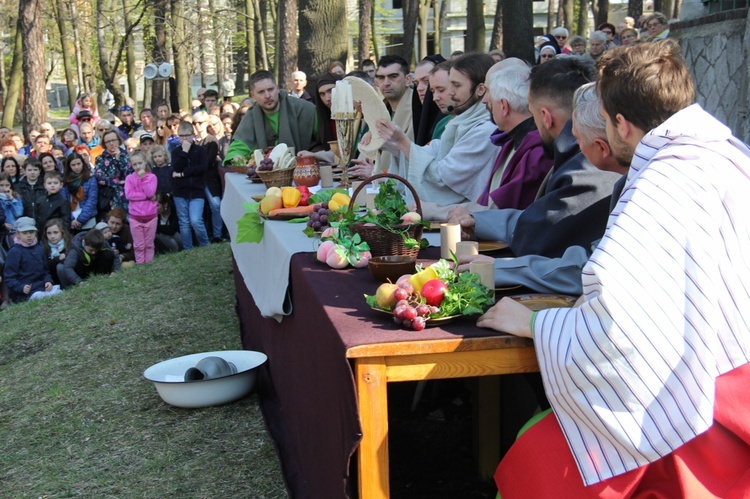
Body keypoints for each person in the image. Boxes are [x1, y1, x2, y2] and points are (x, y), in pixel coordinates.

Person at [487, 40, 750, 498]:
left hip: (706, 405)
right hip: (730, 368)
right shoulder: (727, 153)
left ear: (622, 125)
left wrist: (535, 322)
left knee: (536, 459)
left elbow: (618, 327)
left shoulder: (658, 186)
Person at [450, 57, 620, 259]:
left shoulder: (586, 165)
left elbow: (540, 236)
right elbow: (541, 217)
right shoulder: (573, 155)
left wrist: (499, 269)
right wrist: (479, 221)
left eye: (533, 114)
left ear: (546, 117)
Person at [375, 53, 498, 207]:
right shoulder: (459, 124)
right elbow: (432, 151)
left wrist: (402, 141)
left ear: (480, 89)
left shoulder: (485, 130)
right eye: (433, 91)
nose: (451, 93)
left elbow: (443, 179)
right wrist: (394, 146)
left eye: (456, 86)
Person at [223, 70, 318, 165]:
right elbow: (238, 148)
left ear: (277, 88)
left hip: (306, 170)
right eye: (261, 92)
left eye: (270, 89)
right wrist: (236, 159)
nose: (267, 95)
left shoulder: (306, 109)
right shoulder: (251, 116)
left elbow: (324, 140)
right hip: (266, 176)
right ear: (253, 95)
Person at [2, 217, 62, 302]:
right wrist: (21, 287)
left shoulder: (39, 249)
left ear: (36, 233)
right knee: (40, 297)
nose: (29, 235)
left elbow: (45, 271)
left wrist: (48, 281)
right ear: (18, 234)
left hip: (41, 286)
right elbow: (9, 277)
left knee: (58, 293)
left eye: (31, 232)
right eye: (25, 233)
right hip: (24, 292)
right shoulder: (15, 251)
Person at [172, 121, 210, 248]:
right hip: (180, 191)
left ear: (193, 135)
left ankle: (205, 244)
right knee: (184, 222)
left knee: (195, 220)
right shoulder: (176, 152)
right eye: (181, 136)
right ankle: (188, 248)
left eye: (187, 136)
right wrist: (184, 153)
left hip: (196, 191)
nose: (184, 139)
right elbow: (176, 168)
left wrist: (183, 174)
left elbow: (201, 168)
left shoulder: (200, 150)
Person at [374, 55, 414, 174]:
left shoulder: (418, 108)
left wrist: (379, 173)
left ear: (408, 79)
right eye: (381, 78)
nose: (386, 83)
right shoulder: (380, 109)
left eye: (393, 77)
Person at [296, 73, 341, 164]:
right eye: (322, 94)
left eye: (331, 91)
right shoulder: (325, 117)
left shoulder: (357, 114)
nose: (327, 98)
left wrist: (315, 155)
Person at [192, 111, 223, 243]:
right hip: (195, 180)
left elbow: (208, 161)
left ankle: (217, 234)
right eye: (194, 123)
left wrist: (195, 164)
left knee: (216, 205)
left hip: (210, 180)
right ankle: (204, 237)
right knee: (199, 211)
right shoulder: (191, 141)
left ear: (206, 123)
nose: (197, 126)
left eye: (200, 122)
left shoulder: (212, 140)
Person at [124, 150, 158, 264]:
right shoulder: (129, 178)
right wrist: (145, 196)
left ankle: (148, 264)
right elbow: (129, 195)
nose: (138, 167)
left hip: (151, 216)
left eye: (140, 163)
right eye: (135, 164)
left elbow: (150, 192)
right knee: (139, 245)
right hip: (135, 217)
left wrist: (143, 179)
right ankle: (140, 264)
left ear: (145, 162)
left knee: (149, 244)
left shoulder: (152, 177)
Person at [94, 130, 132, 217]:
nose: (111, 143)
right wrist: (117, 182)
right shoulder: (100, 159)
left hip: (126, 196)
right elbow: (99, 177)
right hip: (109, 196)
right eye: (108, 141)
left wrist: (119, 159)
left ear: (118, 140)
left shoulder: (127, 156)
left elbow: (129, 174)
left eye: (113, 140)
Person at [63, 153, 98, 232]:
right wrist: (71, 219)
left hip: (88, 219)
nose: (76, 167)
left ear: (83, 163)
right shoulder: (65, 181)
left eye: (78, 164)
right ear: (69, 166)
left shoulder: (90, 179)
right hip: (71, 220)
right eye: (73, 165)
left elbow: (92, 200)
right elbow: (64, 201)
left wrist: (81, 219)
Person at [41, 218, 72, 285]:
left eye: (55, 232)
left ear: (62, 232)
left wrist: (66, 255)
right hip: (53, 281)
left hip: (69, 277)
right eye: (49, 233)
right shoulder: (44, 247)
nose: (52, 236)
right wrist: (57, 259)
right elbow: (45, 267)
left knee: (60, 267)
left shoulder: (70, 243)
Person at [0, 172, 23, 249]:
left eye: (7, 185)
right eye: (1, 185)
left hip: (15, 232)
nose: (4, 188)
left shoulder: (16, 197)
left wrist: (11, 199)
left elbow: (19, 213)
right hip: (2, 232)